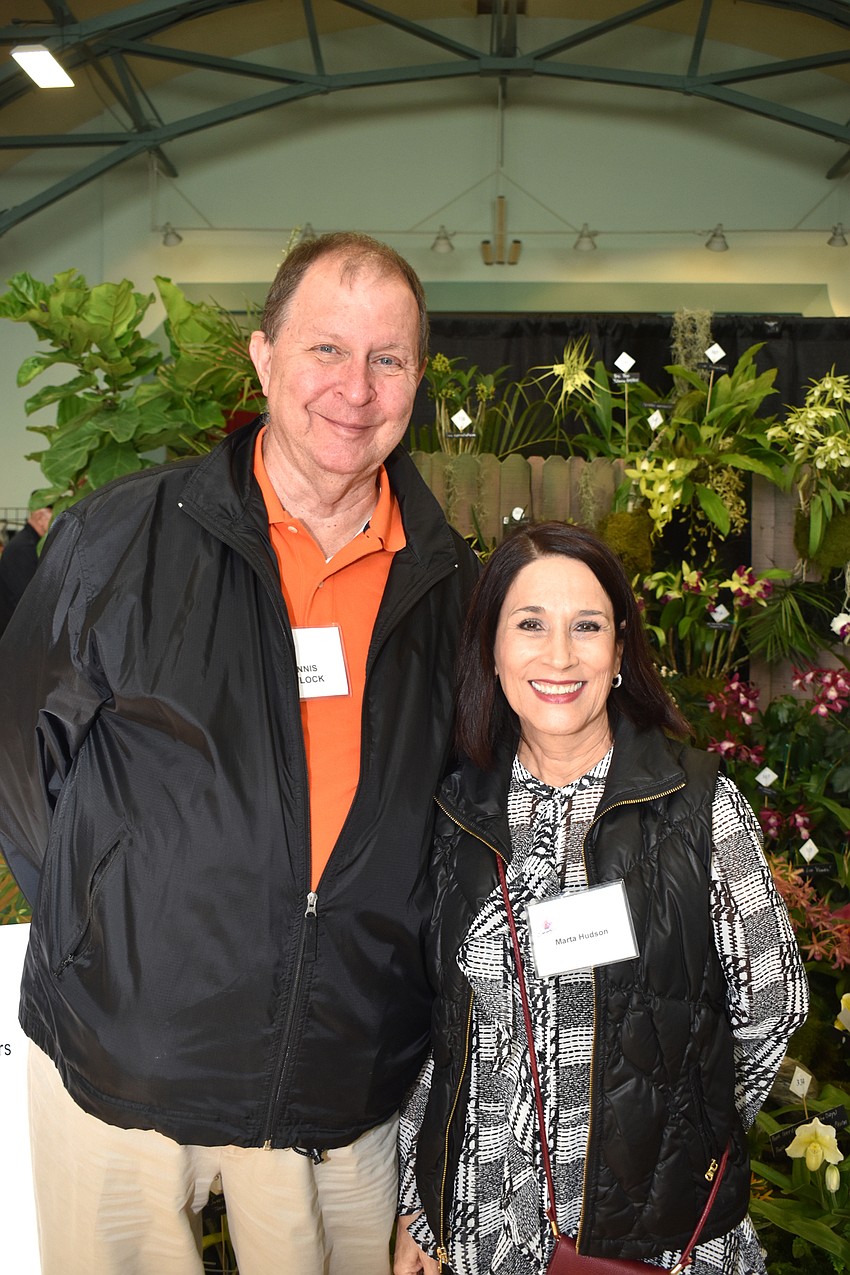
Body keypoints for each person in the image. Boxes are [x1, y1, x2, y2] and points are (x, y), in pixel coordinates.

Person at [0, 232, 480, 1275]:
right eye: (324, 350)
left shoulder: (453, 588)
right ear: (262, 358)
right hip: (126, 1059)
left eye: (386, 359)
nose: (354, 389)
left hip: (341, 1077)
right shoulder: (121, 539)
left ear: (417, 381)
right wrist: (108, 927)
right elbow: (20, 767)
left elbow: (459, 821)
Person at [394, 522, 809, 1275]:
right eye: (530, 625)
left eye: (587, 626)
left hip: (657, 1245)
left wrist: (686, 1145)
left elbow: (773, 1008)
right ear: (491, 648)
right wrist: (421, 1210)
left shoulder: (697, 806)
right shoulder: (456, 812)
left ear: (620, 650)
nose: (559, 656)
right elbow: (443, 1032)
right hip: (487, 1229)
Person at [0, 502, 51, 636]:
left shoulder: (28, 543)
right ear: (41, 517)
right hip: (17, 635)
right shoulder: (24, 547)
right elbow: (28, 598)